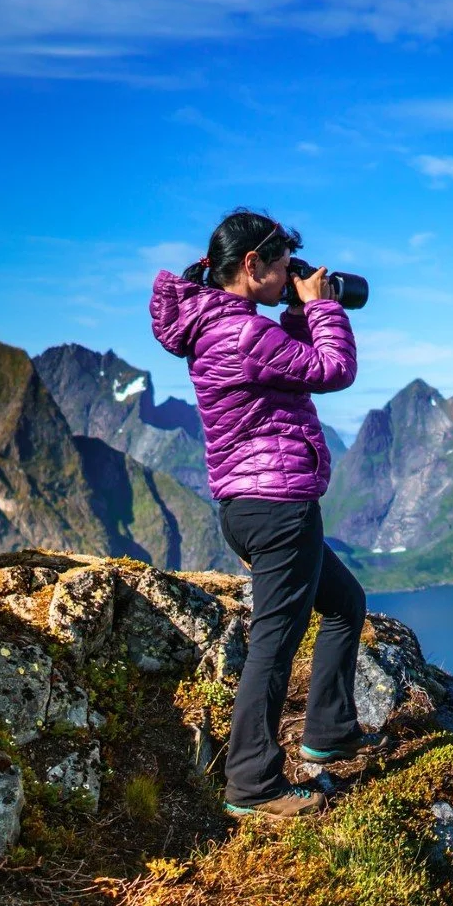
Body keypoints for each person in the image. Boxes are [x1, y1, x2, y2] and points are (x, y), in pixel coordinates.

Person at [149, 208, 365, 819]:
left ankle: (329, 731)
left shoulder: (219, 328)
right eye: (279, 267)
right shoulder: (241, 333)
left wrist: (297, 310)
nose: (286, 277)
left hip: (247, 504)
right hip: (279, 506)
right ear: (252, 264)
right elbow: (332, 369)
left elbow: (288, 365)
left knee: (345, 604)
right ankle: (253, 784)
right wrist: (321, 306)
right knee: (274, 644)